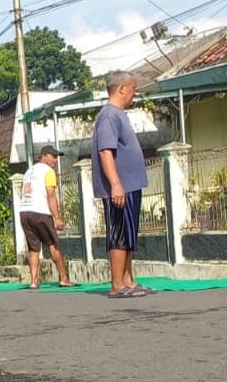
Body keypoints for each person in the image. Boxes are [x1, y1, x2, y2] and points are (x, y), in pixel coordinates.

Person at [91, 70, 152, 298]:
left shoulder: (118, 114)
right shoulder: (108, 115)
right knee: (119, 233)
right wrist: (116, 184)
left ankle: (129, 280)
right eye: (133, 88)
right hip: (120, 187)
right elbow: (105, 151)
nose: (134, 94)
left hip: (130, 186)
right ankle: (117, 284)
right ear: (122, 88)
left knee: (128, 234)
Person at [19, 145, 75, 289]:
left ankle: (33, 281)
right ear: (43, 156)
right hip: (40, 212)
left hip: (24, 212)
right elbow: (50, 195)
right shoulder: (48, 171)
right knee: (53, 244)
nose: (55, 160)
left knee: (33, 248)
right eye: (53, 156)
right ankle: (63, 278)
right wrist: (57, 218)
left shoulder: (28, 172)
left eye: (56, 157)